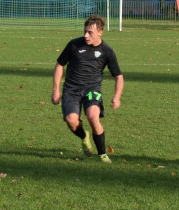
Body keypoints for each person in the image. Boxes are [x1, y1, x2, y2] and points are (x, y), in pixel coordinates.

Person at [51, 14, 124, 163]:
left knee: (92, 117)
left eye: (90, 32)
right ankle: (84, 136)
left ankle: (102, 154)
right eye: (85, 31)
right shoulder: (74, 45)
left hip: (92, 89)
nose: (86, 35)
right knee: (71, 120)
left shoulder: (107, 51)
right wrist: (56, 90)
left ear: (100, 32)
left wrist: (117, 96)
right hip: (71, 89)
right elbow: (60, 65)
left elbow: (118, 76)